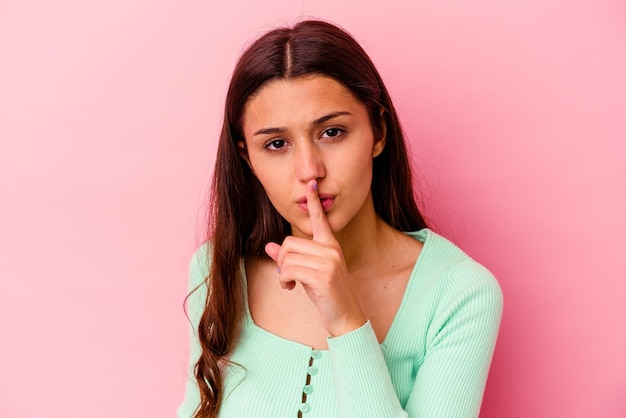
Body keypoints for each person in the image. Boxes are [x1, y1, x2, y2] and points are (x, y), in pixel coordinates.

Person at [178, 20, 503, 418]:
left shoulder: (459, 295)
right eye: (277, 144)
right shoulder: (217, 271)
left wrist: (347, 320)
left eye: (332, 132)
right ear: (248, 159)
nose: (309, 170)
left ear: (378, 132)